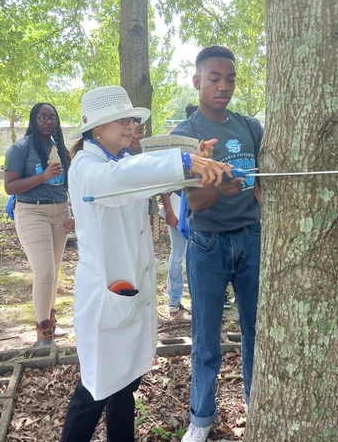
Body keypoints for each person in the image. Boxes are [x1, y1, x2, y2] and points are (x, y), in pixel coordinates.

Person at [60, 85, 230, 442]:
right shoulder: (86, 167)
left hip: (127, 293)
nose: (130, 126)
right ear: (96, 129)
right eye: (120, 120)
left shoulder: (117, 161)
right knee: (94, 390)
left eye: (131, 120)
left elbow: (142, 178)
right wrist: (183, 162)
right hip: (105, 297)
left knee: (123, 386)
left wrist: (194, 164)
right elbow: (120, 182)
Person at [170, 46, 264, 442]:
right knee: (206, 336)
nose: (223, 87)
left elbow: (262, 185)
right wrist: (223, 189)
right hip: (208, 245)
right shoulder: (185, 136)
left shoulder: (250, 127)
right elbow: (195, 202)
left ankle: (255, 403)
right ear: (197, 81)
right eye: (214, 79)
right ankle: (202, 418)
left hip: (252, 239)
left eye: (229, 80)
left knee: (256, 330)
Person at [4, 103, 74, 346]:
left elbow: (70, 184)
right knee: (44, 270)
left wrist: (73, 211)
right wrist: (43, 176)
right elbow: (10, 186)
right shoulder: (21, 148)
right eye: (43, 117)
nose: (48, 121)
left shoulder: (59, 149)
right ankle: (43, 332)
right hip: (32, 211)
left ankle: (51, 323)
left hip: (60, 211)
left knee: (53, 270)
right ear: (34, 120)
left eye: (52, 117)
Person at [160, 103, 199, 313]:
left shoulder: (206, 149)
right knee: (178, 254)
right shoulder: (175, 147)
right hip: (177, 207)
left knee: (198, 255)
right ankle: (174, 297)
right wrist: (169, 212)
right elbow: (165, 185)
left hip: (199, 208)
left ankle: (198, 297)